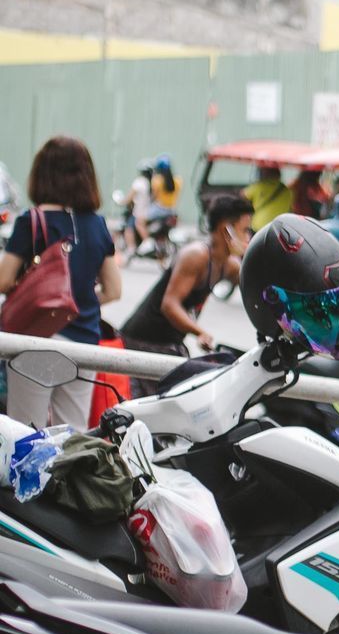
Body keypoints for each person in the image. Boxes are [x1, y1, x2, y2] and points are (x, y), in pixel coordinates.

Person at [0, 136, 122, 428]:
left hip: (35, 340)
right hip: (84, 348)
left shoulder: (32, 221)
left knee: (26, 434)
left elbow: (3, 281)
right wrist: (76, 302)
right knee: (70, 435)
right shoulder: (97, 224)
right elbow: (114, 290)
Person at [120, 194, 253, 396]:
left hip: (170, 343)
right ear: (226, 229)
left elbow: (252, 287)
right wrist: (199, 332)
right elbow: (169, 304)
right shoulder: (196, 255)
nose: (248, 238)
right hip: (143, 342)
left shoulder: (228, 265)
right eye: (245, 231)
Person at [243, 165, 291, 232]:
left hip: (259, 227)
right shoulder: (286, 190)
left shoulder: (259, 186)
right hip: (279, 229)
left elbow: (241, 196)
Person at [121, 160, 153, 261]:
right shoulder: (151, 182)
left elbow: (130, 197)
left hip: (139, 212)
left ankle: (131, 248)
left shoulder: (139, 182)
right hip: (149, 211)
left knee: (129, 228)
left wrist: (123, 201)